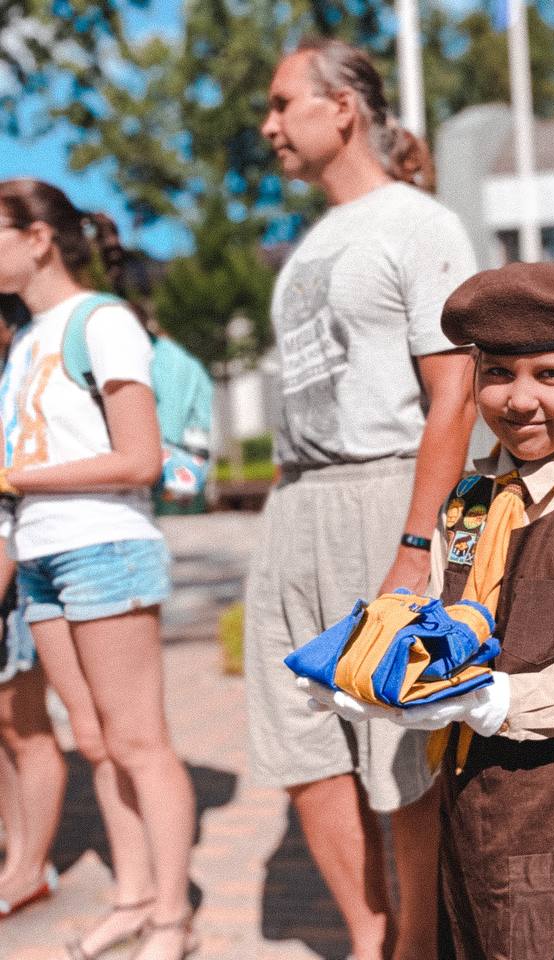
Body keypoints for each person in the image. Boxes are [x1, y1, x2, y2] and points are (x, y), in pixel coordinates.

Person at [305, 262, 554, 960]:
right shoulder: (475, 497)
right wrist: (373, 665)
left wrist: (492, 697)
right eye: (498, 372)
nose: (519, 399)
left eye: (550, 375)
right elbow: (448, 617)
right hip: (475, 807)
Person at [249, 36, 477, 960]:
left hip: (385, 496)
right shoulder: (316, 238)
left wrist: (416, 544)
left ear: (342, 107)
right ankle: (368, 937)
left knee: (399, 739)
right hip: (295, 503)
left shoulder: (418, 224)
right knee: (297, 739)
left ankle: (418, 944)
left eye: (281, 104)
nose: (268, 126)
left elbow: (455, 395)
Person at [0, 179, 197, 960]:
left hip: (104, 546)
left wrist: (19, 477)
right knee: (93, 738)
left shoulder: (102, 322)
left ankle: (173, 918)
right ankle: (133, 896)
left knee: (139, 740)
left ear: (39, 238)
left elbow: (141, 459)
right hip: (47, 553)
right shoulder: (28, 339)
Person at [0, 294, 66, 922]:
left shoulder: (21, 385)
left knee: (24, 725)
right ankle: (17, 856)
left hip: (15, 574)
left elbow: (12, 502)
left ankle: (30, 865)